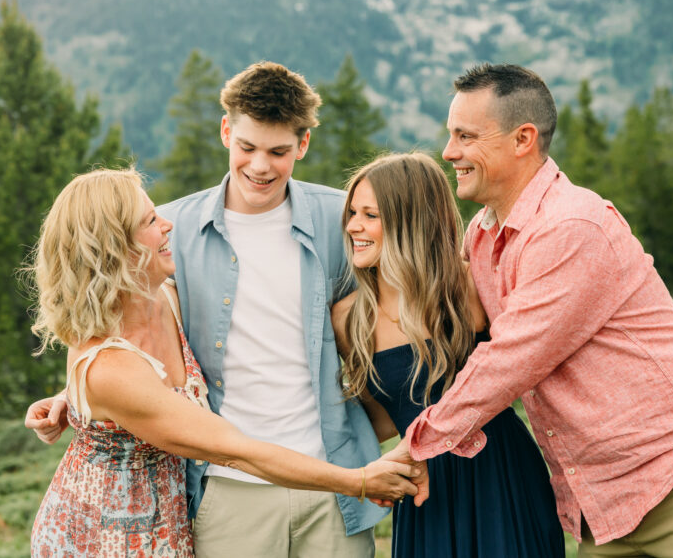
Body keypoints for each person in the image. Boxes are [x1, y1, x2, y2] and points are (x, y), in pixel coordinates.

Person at [384, 64, 673, 557]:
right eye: (451, 136)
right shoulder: (481, 236)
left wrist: (418, 442)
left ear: (523, 139)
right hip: (604, 505)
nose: (449, 152)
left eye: (466, 136)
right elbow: (451, 330)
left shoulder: (571, 225)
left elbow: (510, 359)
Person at [27, 62, 402, 557]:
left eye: (278, 151)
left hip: (333, 479)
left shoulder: (343, 219)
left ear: (303, 145)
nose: (260, 166)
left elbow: (398, 307)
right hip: (227, 488)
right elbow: (119, 337)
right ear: (226, 131)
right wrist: (78, 394)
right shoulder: (174, 229)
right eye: (247, 147)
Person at [335, 152, 565, 558]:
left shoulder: (467, 286)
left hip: (499, 472)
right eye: (352, 212)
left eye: (370, 215)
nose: (354, 226)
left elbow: (525, 358)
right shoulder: (350, 317)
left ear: (408, 221)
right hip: (423, 488)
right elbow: (386, 415)